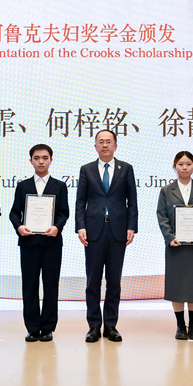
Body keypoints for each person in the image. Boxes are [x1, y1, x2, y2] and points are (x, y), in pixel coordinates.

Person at [75, 129, 138, 343]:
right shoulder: (86, 169)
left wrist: (132, 227)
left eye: (108, 142)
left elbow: (132, 201)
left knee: (114, 281)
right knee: (93, 281)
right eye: (100, 142)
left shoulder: (126, 169)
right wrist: (80, 226)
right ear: (95, 146)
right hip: (93, 232)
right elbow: (80, 201)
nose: (104, 145)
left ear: (115, 146)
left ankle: (110, 325)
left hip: (118, 231)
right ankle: (94, 326)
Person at [9, 144, 70, 342]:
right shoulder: (23, 186)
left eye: (45, 158)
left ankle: (48, 327)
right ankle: (33, 327)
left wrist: (57, 227)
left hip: (52, 242)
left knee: (51, 285)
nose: (41, 161)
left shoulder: (59, 186)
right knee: (30, 285)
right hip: (28, 242)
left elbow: (64, 213)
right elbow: (14, 213)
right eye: (37, 158)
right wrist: (19, 226)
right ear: (31, 161)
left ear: (51, 160)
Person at [156, 151, 193, 340]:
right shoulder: (166, 191)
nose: (184, 167)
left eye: (188, 164)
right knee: (177, 285)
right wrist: (169, 236)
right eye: (181, 164)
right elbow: (162, 216)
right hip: (175, 246)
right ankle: (180, 326)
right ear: (174, 166)